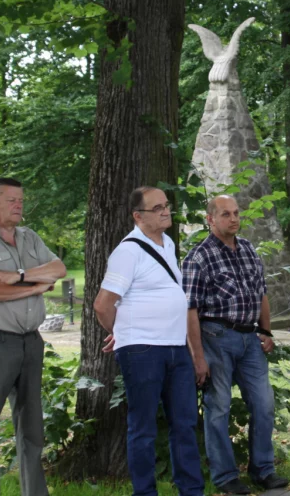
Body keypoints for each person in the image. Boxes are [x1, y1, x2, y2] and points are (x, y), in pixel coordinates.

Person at [92, 186, 204, 496]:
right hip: (143, 351)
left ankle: (192, 491)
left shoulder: (168, 244)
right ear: (138, 216)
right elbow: (102, 305)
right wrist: (124, 332)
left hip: (176, 348)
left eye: (166, 205)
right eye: (157, 208)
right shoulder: (127, 252)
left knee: (185, 424)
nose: (166, 211)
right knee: (143, 428)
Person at [0, 178, 67, 496]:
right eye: (11, 200)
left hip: (31, 342)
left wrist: (19, 276)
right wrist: (35, 287)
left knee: (32, 426)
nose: (19, 205)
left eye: (21, 200)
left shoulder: (29, 237)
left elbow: (58, 269)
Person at [181, 195, 290, 495]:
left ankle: (263, 470)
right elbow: (189, 310)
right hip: (215, 336)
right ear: (210, 219)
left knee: (264, 404)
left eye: (236, 213)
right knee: (218, 408)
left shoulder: (248, 249)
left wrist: (266, 330)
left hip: (250, 339)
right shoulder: (198, 257)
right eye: (225, 214)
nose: (233, 219)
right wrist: (197, 357)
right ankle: (226, 477)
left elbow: (261, 292)